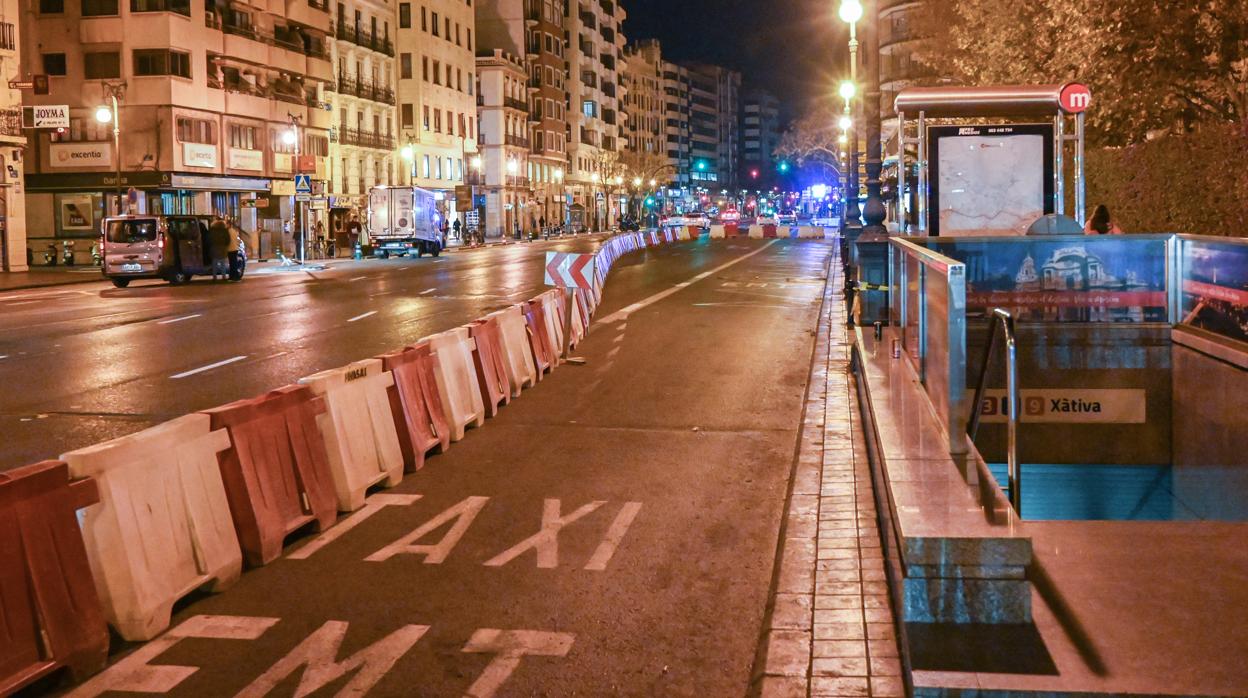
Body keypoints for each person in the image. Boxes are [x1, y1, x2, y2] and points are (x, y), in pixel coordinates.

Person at [208, 216, 231, 281]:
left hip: (214, 248)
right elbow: (228, 240)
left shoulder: (212, 230)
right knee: (223, 263)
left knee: (214, 263)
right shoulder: (224, 230)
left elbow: (209, 239)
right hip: (223, 248)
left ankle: (214, 276)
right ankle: (223, 276)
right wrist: (225, 245)